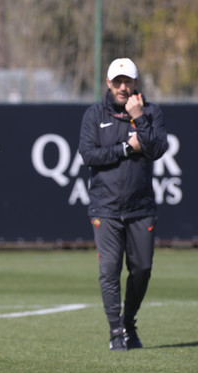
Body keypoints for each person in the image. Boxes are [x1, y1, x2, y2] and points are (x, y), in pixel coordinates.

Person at [79, 57, 168, 351]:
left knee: (142, 269)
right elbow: (89, 155)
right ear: (108, 83)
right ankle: (115, 332)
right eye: (117, 82)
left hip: (141, 208)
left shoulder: (151, 112)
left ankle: (128, 322)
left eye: (127, 81)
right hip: (105, 208)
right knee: (109, 271)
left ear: (135, 83)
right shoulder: (94, 114)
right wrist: (126, 148)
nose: (122, 87)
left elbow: (157, 149)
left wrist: (139, 117)